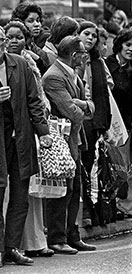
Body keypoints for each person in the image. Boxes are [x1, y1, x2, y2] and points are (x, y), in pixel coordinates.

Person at [0, 24, 52, 268]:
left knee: (20, 198)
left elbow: (34, 101)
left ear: (6, 41)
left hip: (21, 141)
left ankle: (12, 248)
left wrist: (43, 132)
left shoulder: (20, 64)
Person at [3, 20, 54, 258]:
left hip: (24, 134)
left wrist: (43, 131)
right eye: (9, 37)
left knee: (25, 194)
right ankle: (3, 245)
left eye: (18, 37)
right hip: (1, 139)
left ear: (26, 40)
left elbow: (37, 99)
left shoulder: (28, 62)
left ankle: (26, 242)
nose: (13, 41)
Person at [42, 35, 96, 255]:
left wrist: (82, 104)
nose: (85, 57)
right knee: (60, 191)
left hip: (74, 139)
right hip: (59, 143)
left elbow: (88, 108)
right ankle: (56, 238)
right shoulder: (53, 77)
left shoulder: (75, 75)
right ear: (74, 55)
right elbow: (71, 112)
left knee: (74, 189)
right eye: (83, 53)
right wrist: (84, 107)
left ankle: (72, 235)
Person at [77, 21, 114, 228]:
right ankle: (82, 213)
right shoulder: (75, 59)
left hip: (94, 121)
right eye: (86, 34)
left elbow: (106, 90)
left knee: (92, 166)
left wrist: (104, 123)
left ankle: (93, 210)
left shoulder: (99, 62)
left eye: (93, 35)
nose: (90, 38)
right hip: (78, 119)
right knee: (80, 167)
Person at [10, 1, 51, 74]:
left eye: (38, 20)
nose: (36, 24)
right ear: (21, 23)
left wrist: (38, 59)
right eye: (30, 21)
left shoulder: (40, 52)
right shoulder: (12, 48)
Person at [105, 28, 132, 130]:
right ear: (120, 44)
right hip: (107, 121)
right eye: (128, 45)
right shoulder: (106, 64)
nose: (131, 49)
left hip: (125, 125)